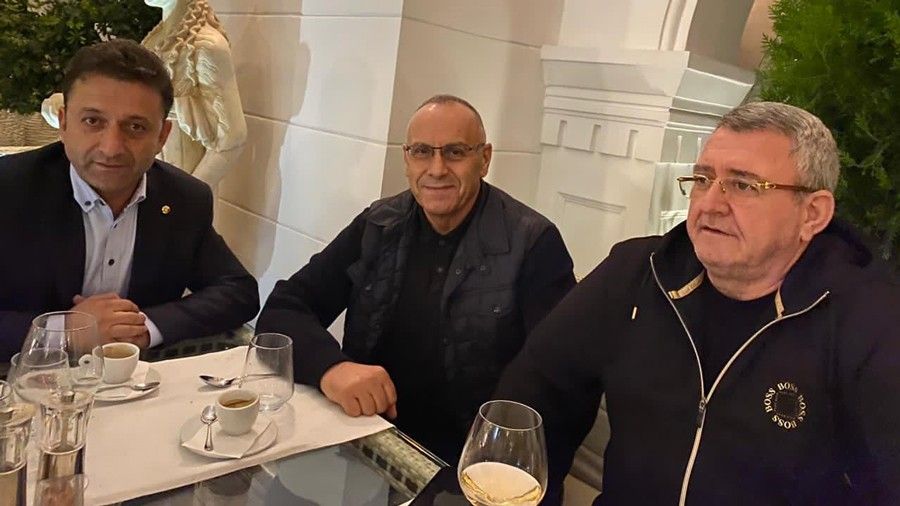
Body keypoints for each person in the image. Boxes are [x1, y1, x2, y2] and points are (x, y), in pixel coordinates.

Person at [495, 102, 900, 505]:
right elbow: (536, 390)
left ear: (812, 214)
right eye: (703, 179)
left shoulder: (871, 321)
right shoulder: (638, 272)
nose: (709, 204)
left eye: (743, 185)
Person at [256, 95, 576, 462]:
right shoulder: (378, 224)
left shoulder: (533, 243)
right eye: (422, 152)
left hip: (472, 460)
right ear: (407, 159)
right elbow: (285, 308)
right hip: (368, 441)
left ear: (484, 159)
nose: (437, 169)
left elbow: (561, 380)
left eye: (455, 152)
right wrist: (332, 368)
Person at [0, 39, 259, 361]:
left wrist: (143, 328)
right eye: (93, 121)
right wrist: (64, 332)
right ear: (64, 123)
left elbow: (237, 291)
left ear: (161, 136)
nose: (111, 148)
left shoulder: (184, 199)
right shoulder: (9, 190)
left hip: (136, 381)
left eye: (135, 127)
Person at [141, 0, 247, 188]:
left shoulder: (207, 45)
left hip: (182, 178)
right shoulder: (156, 41)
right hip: (148, 180)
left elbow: (232, 137)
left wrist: (189, 194)